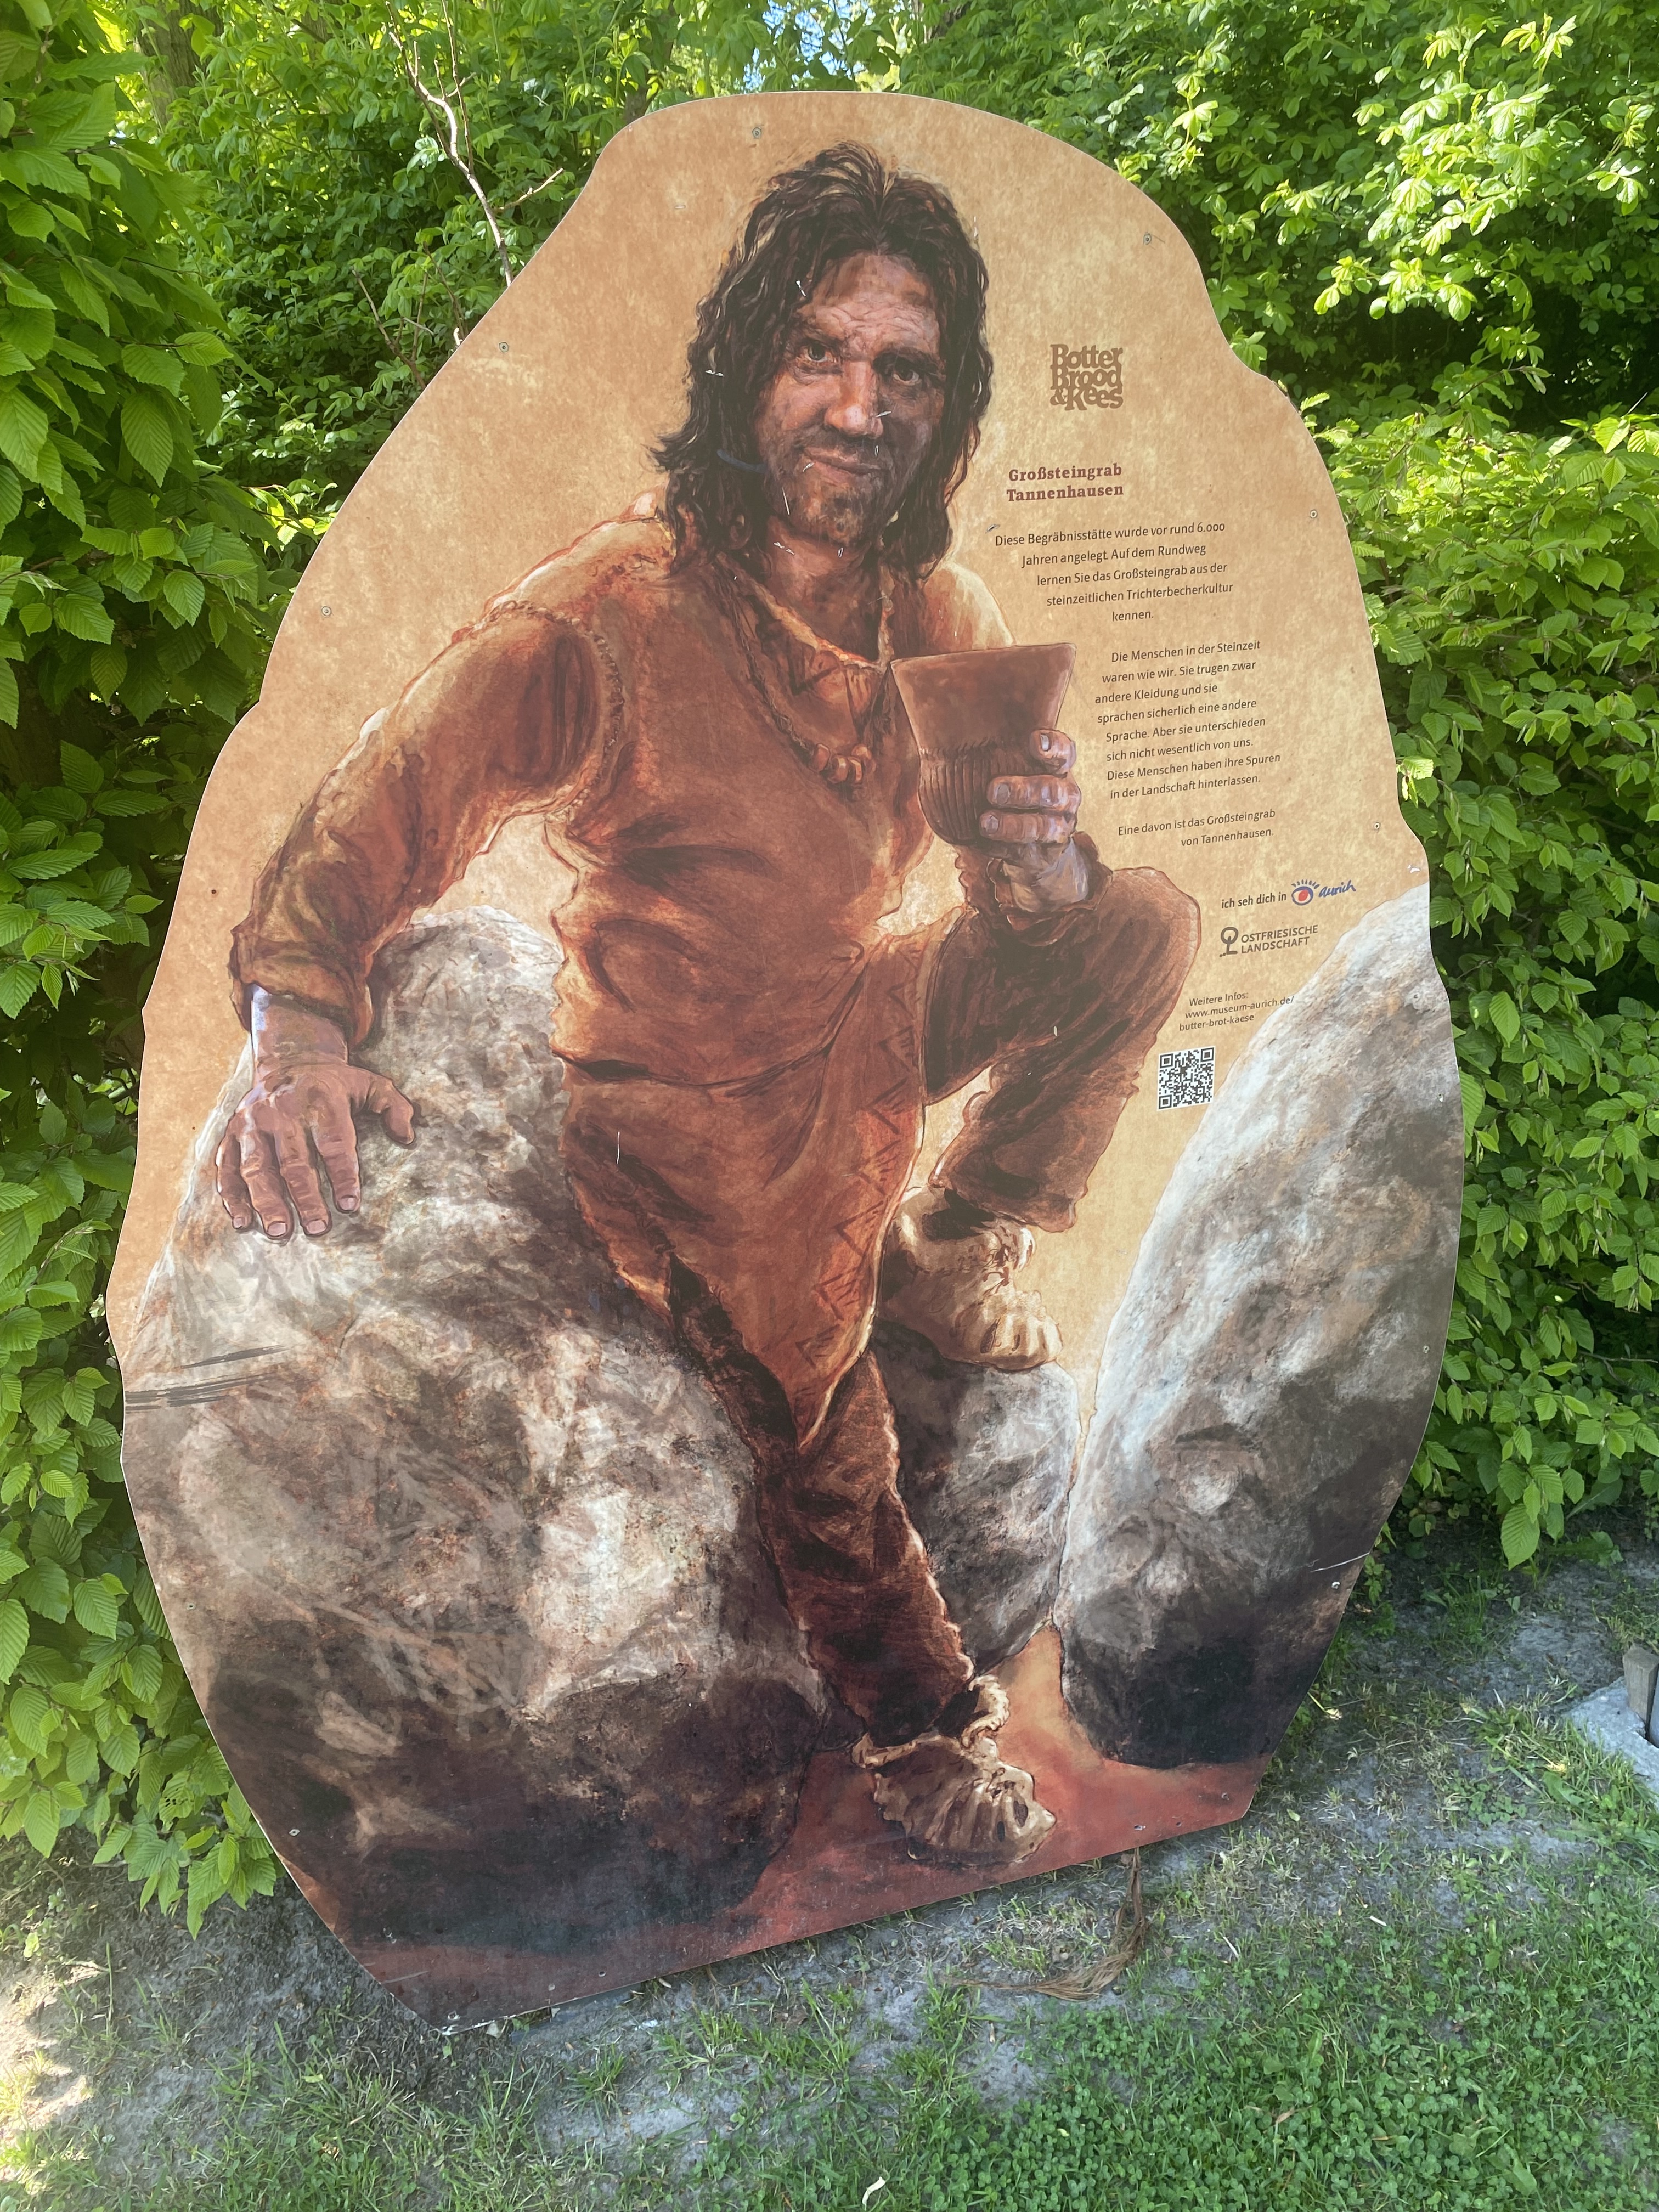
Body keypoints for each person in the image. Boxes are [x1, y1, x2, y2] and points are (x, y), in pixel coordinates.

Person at [216, 143, 1199, 1867]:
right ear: (750, 367)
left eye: (904, 371)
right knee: (807, 1356)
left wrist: (1047, 874)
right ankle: (915, 1716)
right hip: (682, 1098)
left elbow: (1028, 908)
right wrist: (299, 1024)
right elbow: (388, 797)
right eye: (821, 352)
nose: (859, 407)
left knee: (1144, 926)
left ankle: (958, 1240)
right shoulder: (615, 607)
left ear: (946, 407)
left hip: (857, 1028)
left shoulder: (937, 612)